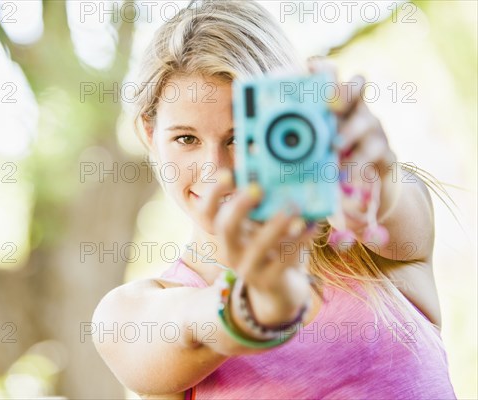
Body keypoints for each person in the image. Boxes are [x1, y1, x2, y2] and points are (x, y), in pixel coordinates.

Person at [92, 1, 457, 398]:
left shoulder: (374, 247)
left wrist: (363, 173)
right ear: (150, 135)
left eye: (241, 138)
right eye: (186, 139)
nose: (215, 170)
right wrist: (251, 307)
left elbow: (389, 204)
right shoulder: (131, 314)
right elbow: (189, 328)